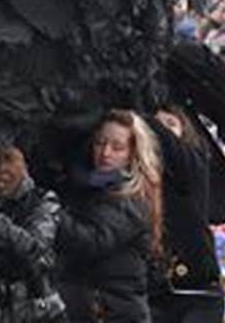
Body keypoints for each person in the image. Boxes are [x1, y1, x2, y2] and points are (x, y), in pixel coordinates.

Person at [56, 109, 162, 323]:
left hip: (115, 312)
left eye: (117, 147)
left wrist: (49, 212)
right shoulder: (88, 186)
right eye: (100, 143)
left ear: (133, 153)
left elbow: (91, 239)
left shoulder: (132, 196)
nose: (105, 153)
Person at [147, 107, 223, 322]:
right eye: (158, 125)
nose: (164, 131)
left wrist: (149, 121)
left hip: (198, 289)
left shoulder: (193, 165)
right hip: (156, 293)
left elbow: (173, 149)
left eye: (170, 124)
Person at [0, 143, 65, 322]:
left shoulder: (43, 201)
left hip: (37, 314)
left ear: (25, 164)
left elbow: (33, 249)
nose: (1, 167)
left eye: (9, 159)